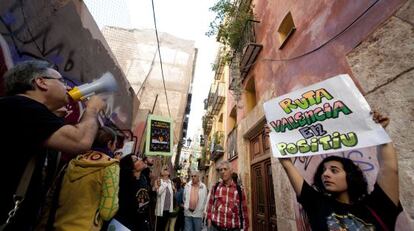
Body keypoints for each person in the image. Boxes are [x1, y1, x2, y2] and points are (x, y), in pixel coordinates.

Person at [0, 60, 106, 230]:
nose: (67, 87)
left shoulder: (25, 111)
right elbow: (81, 141)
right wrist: (92, 109)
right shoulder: (23, 107)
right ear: (41, 82)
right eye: (62, 81)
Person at [279, 112, 402, 231]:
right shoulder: (316, 204)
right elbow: (287, 165)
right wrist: (277, 139)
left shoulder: (377, 206)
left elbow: (389, 169)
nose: (325, 174)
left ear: (350, 175)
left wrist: (380, 132)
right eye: (323, 171)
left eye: (334, 170)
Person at [53, 126, 120, 230]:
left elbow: (52, 195)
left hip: (58, 224)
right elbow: (107, 211)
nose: (115, 147)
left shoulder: (75, 160)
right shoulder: (111, 166)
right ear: (109, 144)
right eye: (115, 144)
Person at [206, 160, 249, 231]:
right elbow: (210, 207)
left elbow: (244, 212)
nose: (222, 171)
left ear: (231, 171)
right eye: (220, 170)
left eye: (225, 169)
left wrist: (245, 228)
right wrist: (209, 224)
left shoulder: (239, 190)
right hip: (215, 228)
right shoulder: (215, 187)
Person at [114, 154, 151, 231]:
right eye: (136, 160)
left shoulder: (143, 179)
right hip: (126, 225)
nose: (141, 160)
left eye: (138, 158)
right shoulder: (126, 183)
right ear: (130, 167)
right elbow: (125, 208)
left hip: (141, 224)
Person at [154, 166, 174, 231]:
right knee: (159, 227)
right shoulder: (159, 181)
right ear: (162, 172)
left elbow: (172, 194)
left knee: (164, 227)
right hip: (161, 209)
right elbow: (159, 193)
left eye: (167, 169)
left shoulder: (171, 182)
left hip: (168, 209)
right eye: (165, 169)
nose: (167, 170)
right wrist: (165, 183)